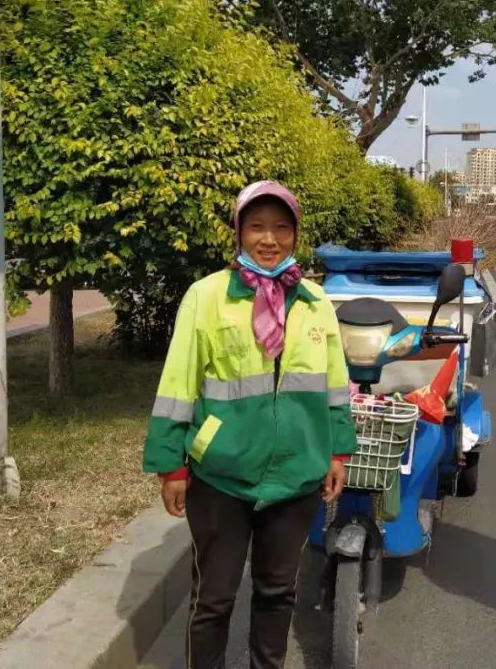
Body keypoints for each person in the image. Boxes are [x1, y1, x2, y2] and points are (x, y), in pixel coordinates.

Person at [142, 181, 357, 669]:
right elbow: (178, 382)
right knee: (214, 598)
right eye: (256, 226)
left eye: (282, 228)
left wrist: (337, 450)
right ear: (238, 231)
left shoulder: (315, 301)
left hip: (296, 473)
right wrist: (170, 465)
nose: (269, 239)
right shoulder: (207, 296)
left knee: (278, 592)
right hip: (221, 474)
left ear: (295, 234)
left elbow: (335, 383)